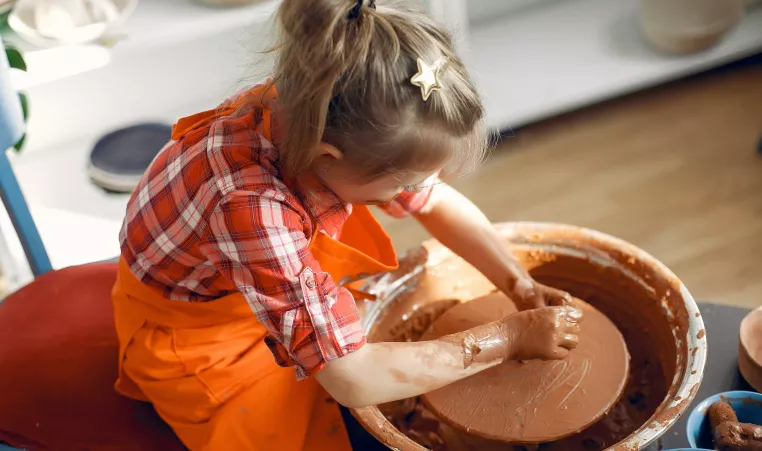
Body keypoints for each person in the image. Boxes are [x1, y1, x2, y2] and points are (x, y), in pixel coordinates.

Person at [111, 0, 583, 450]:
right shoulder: (252, 204)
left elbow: (434, 200)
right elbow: (350, 376)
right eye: (401, 185)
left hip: (246, 268)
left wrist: (518, 284)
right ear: (328, 160)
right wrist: (507, 339)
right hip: (193, 336)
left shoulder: (328, 103)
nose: (416, 191)